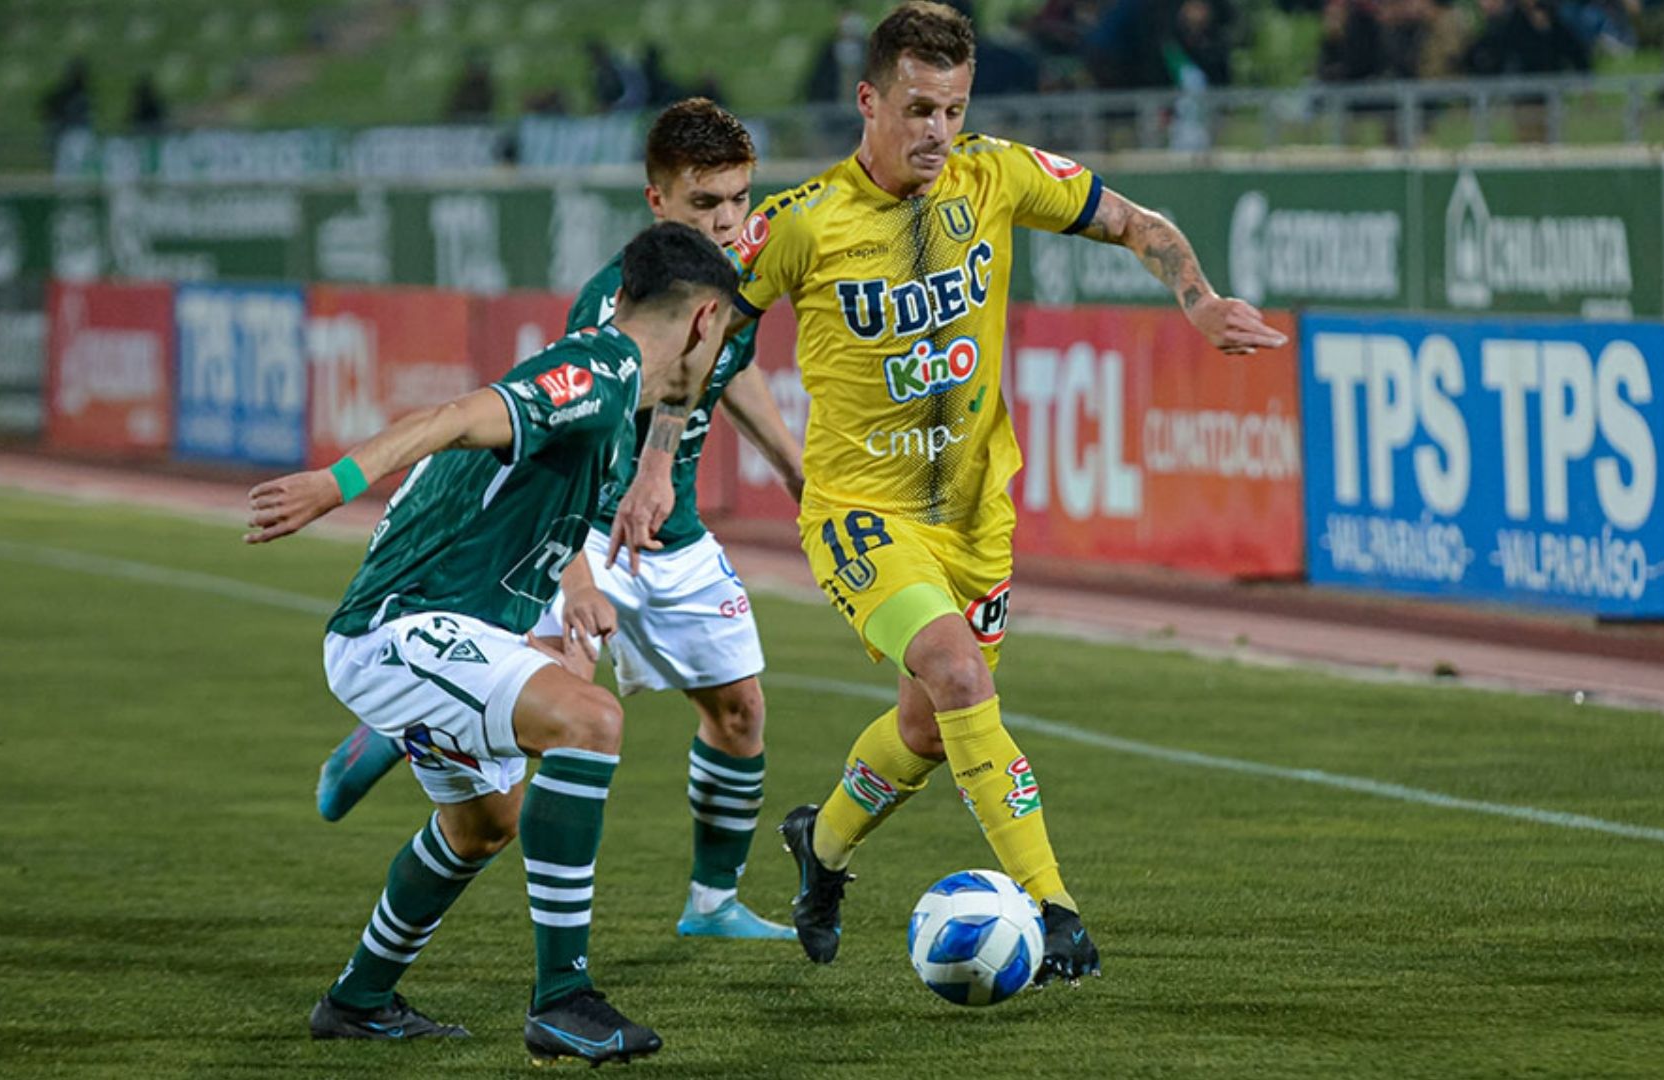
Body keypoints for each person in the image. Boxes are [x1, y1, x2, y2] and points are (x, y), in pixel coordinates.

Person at [606, 0, 1288, 986]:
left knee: (927, 728)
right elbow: (703, 333)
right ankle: (1055, 911)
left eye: (954, 110)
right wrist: (660, 457)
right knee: (961, 678)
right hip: (860, 515)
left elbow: (1138, 222)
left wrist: (1198, 298)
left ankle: (822, 847)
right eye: (919, 108)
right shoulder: (800, 224)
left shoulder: (1000, 175)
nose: (937, 131)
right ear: (869, 100)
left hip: (977, 515)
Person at [246, 221, 740, 1065]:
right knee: (589, 717)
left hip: (459, 626)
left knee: (482, 824)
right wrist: (336, 483)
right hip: (399, 627)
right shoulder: (599, 372)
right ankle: (563, 999)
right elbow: (454, 415)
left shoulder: (621, 400)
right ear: (703, 323)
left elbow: (541, 510)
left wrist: (578, 589)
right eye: (725, 331)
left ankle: (357, 1000)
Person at [314, 98, 808, 942]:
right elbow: (588, 439)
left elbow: (728, 371)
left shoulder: (735, 279)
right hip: (589, 526)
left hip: (674, 533)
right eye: (705, 204)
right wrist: (581, 569)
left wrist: (799, 474)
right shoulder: (617, 301)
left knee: (740, 711)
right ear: (659, 203)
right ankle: (409, 725)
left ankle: (712, 904)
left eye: (738, 200)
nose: (728, 220)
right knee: (561, 702)